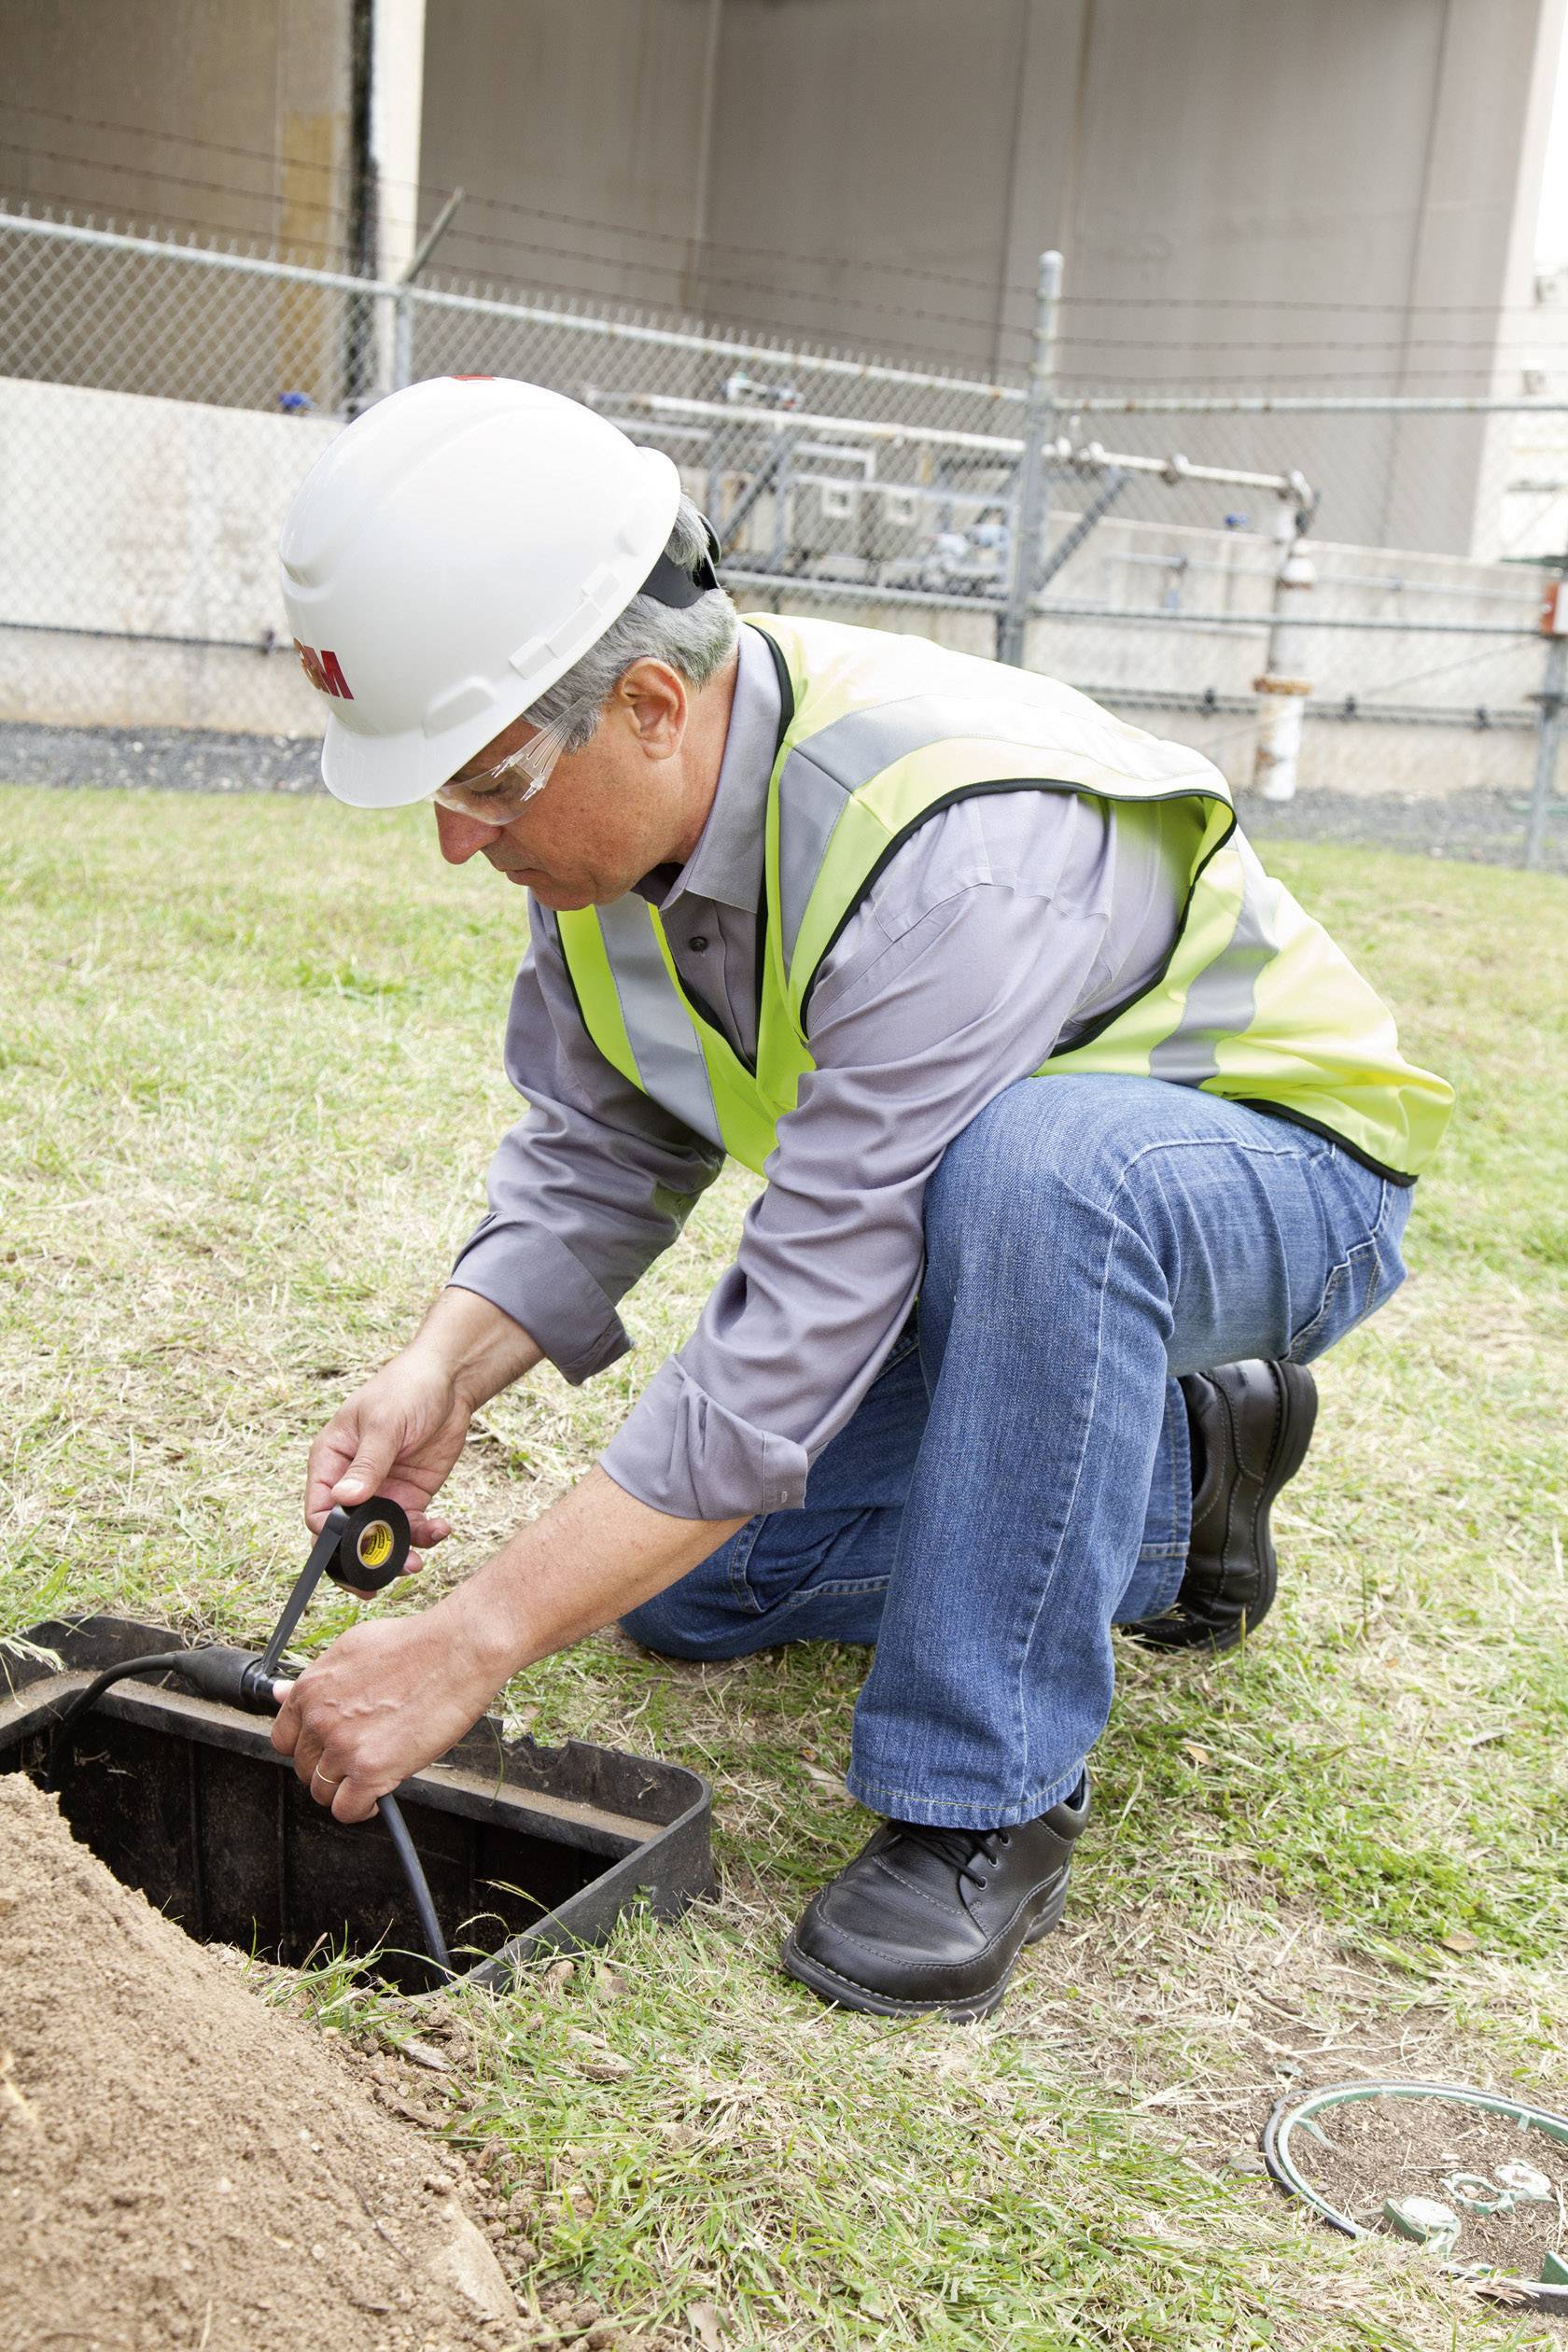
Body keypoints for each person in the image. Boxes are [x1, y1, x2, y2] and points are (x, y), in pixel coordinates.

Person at [271, 377, 1450, 2020]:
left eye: (481, 783)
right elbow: (604, 1139)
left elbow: (797, 1332)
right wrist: (445, 1363)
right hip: (1003, 1218)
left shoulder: (944, 844)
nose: (458, 847)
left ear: (655, 707)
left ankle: (984, 1806)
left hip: (1258, 1164)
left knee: (1044, 1179)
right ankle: (1186, 1474)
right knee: (682, 1588)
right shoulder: (608, 839)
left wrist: (467, 1646)